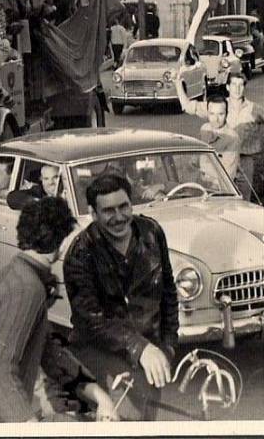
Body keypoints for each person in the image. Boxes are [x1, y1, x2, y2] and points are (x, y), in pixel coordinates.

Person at [0, 197, 118, 423]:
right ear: (59, 243)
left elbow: (49, 352)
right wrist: (30, 426)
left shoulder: (16, 275)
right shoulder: (27, 289)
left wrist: (100, 397)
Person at [62, 172, 178, 421]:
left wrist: (167, 345)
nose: (119, 217)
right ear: (93, 214)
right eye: (108, 211)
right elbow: (92, 322)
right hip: (101, 355)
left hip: (149, 354)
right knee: (126, 420)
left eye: (124, 206)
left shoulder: (152, 232)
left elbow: (168, 292)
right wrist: (140, 348)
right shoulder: (80, 253)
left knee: (147, 418)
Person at [174, 85, 245, 194]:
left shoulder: (232, 138)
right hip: (200, 185)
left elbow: (227, 176)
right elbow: (194, 162)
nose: (216, 119)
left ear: (227, 114)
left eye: (220, 114)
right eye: (212, 114)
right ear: (207, 113)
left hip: (219, 191)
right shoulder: (204, 129)